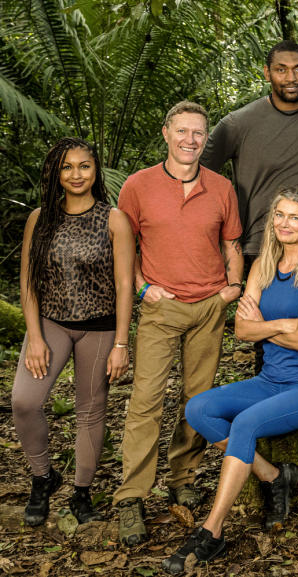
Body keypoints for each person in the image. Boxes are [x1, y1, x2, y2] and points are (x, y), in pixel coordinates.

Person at [162, 187, 298, 574]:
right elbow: (240, 329)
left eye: (295, 217)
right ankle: (274, 476)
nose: (285, 223)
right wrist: (278, 325)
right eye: (280, 215)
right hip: (270, 379)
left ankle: (212, 530)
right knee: (199, 408)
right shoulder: (262, 266)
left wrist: (262, 327)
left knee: (245, 423)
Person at [114, 101, 244, 546]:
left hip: (209, 305)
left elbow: (232, 244)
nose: (190, 140)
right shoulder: (137, 186)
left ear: (206, 139)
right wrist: (145, 289)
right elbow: (124, 249)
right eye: (182, 131)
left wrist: (233, 287)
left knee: (198, 398)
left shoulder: (222, 187)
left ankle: (182, 476)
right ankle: (131, 494)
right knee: (146, 399)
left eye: (198, 133)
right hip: (160, 307)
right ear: (166, 132)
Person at [12, 137, 134, 526]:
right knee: (24, 401)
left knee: (90, 411)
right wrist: (34, 336)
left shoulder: (114, 219)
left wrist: (121, 343)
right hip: (51, 321)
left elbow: (125, 286)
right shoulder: (39, 218)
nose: (76, 174)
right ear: (56, 173)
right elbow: (28, 282)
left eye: (84, 165)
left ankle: (82, 493)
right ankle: (43, 477)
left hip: (100, 328)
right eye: (68, 166)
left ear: (95, 171)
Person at [201, 39, 298, 261]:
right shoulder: (238, 123)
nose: (291, 78)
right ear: (267, 73)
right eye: (281, 70)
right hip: (262, 248)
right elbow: (197, 177)